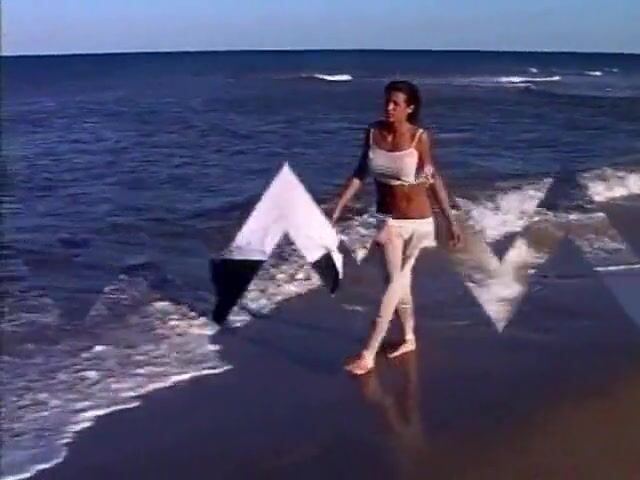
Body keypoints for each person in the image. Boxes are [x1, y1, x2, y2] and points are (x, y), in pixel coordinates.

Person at [331, 80, 461, 375]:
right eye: (387, 102)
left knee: (395, 284)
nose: (389, 108)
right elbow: (360, 173)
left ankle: (368, 353)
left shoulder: (419, 138)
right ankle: (409, 338)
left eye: (396, 104)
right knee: (398, 283)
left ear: (409, 108)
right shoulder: (372, 132)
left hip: (418, 223)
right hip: (388, 221)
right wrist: (339, 206)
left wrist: (450, 220)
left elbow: (433, 178)